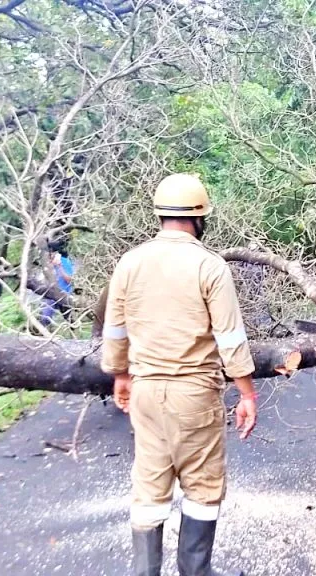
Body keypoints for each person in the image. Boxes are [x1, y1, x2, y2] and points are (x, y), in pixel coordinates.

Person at [100, 173, 258, 576]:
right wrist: (246, 393)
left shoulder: (130, 262)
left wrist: (121, 376)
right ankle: (195, 571)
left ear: (160, 214)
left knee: (150, 484)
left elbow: (115, 327)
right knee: (202, 486)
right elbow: (230, 337)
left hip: (146, 392)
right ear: (200, 216)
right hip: (194, 393)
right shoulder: (209, 265)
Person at [39, 246, 75, 326]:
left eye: (50, 255)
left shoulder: (65, 262)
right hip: (51, 294)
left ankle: (74, 333)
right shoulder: (47, 264)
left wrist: (59, 266)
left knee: (70, 320)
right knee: (45, 317)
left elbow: (69, 280)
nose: (49, 257)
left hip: (64, 294)